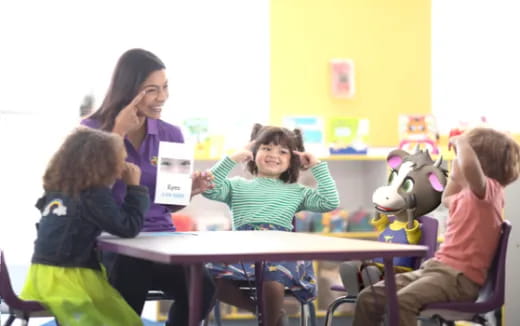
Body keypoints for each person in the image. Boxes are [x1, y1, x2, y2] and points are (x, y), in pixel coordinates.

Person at [82, 48, 215, 325]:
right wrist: (117, 131)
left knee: (203, 287)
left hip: (162, 240)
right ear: (129, 90)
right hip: (112, 240)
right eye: (152, 90)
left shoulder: (171, 134)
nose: (162, 97)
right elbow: (86, 190)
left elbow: (169, 203)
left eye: (165, 87)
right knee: (132, 272)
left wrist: (186, 191)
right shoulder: (90, 129)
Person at [352, 127, 520, 326]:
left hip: (459, 279)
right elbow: (447, 197)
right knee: (369, 297)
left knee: (402, 302)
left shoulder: (489, 192)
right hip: (434, 270)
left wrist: (461, 142)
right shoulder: (465, 196)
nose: (457, 161)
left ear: (479, 165)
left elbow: (469, 167)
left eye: (460, 158)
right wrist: (456, 173)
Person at [202, 123, 340, 326]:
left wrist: (316, 166)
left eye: (282, 151)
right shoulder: (237, 185)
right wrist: (233, 157)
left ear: (291, 160)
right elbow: (208, 188)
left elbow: (330, 202)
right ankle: (262, 311)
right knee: (206, 275)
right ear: (254, 153)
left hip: (280, 251)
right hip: (242, 250)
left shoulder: (297, 191)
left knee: (273, 276)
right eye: (266, 148)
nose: (273, 154)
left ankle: (269, 320)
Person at [20, 127, 149, 326]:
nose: (124, 167)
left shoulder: (58, 190)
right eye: (121, 161)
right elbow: (128, 227)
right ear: (103, 165)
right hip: (70, 278)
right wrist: (135, 188)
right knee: (124, 320)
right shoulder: (93, 194)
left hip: (43, 275)